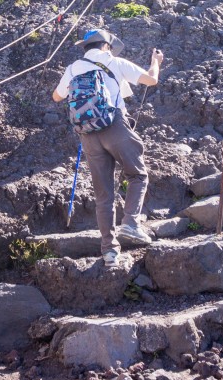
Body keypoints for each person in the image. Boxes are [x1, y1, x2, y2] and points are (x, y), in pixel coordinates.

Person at [52, 29, 163, 265]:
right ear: (106, 46)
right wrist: (156, 61)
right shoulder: (115, 61)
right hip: (115, 125)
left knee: (104, 195)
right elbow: (151, 80)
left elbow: (57, 97)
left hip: (88, 134)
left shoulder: (73, 68)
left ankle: (110, 251)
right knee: (137, 174)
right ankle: (131, 223)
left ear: (86, 47)